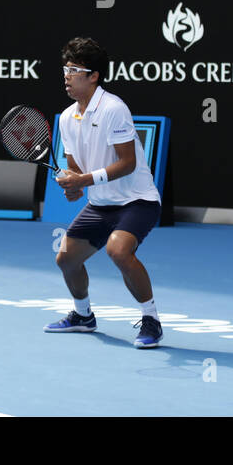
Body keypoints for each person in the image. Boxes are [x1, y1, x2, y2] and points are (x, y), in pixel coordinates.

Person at [47, 37, 164, 349]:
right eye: (65, 70)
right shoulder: (66, 118)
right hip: (101, 204)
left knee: (118, 250)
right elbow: (76, 169)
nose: (67, 77)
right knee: (66, 259)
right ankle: (83, 316)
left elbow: (127, 164)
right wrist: (74, 186)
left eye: (74, 70)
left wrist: (83, 180)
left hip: (137, 201)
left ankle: (150, 318)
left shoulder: (114, 109)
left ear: (94, 75)